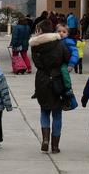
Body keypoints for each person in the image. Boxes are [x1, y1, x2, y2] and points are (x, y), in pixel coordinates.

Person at [30, 19, 70, 154]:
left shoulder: (35, 46)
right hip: (57, 79)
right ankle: (55, 146)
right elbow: (67, 57)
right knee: (57, 113)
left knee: (44, 110)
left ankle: (45, 139)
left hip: (41, 79)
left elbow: (36, 63)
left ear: (40, 30)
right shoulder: (59, 43)